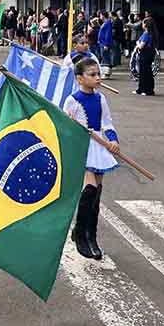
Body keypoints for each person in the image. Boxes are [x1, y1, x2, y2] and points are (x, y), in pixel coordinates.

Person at [63, 58, 120, 260]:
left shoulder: (101, 99)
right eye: (93, 74)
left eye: (99, 74)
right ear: (80, 78)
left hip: (99, 146)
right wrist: (70, 124)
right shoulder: (72, 100)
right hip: (82, 147)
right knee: (90, 189)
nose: (98, 78)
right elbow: (65, 130)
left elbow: (107, 123)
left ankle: (90, 236)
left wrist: (113, 141)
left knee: (97, 194)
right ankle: (80, 234)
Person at [135, 17, 157, 96]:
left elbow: (141, 45)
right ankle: (141, 89)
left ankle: (147, 90)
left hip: (145, 54)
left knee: (145, 72)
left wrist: (137, 43)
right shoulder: (148, 34)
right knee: (144, 72)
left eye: (143, 23)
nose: (142, 24)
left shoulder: (147, 34)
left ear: (146, 25)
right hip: (147, 54)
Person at [98, 11, 114, 78]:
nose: (100, 17)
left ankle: (106, 73)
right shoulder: (106, 23)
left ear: (103, 15)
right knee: (104, 57)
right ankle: (105, 72)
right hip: (102, 43)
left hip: (105, 44)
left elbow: (108, 34)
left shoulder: (107, 23)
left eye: (100, 15)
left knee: (105, 57)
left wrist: (106, 44)